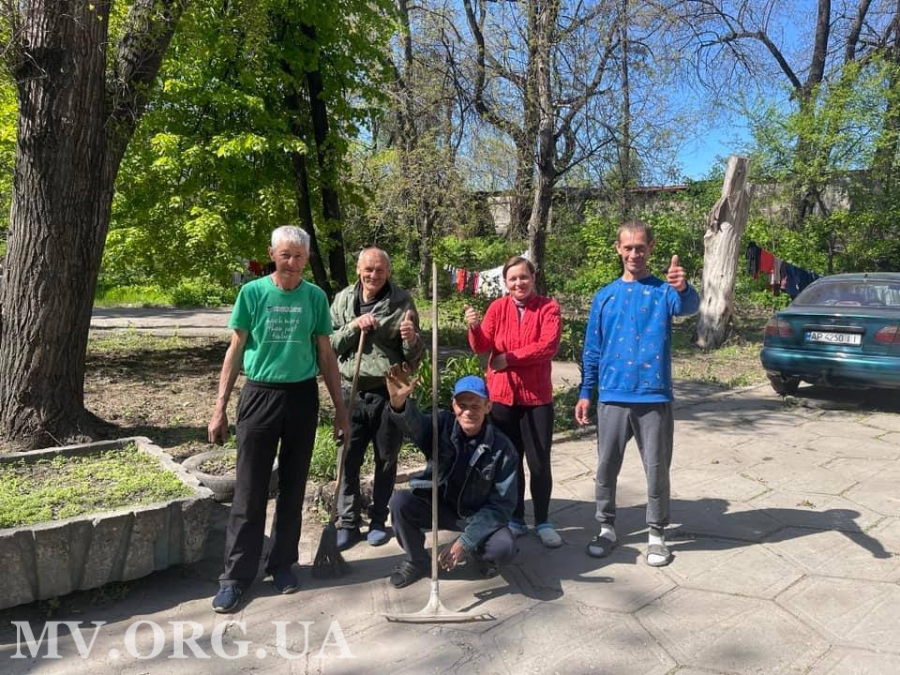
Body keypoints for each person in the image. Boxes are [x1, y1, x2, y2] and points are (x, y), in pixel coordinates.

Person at [207, 226, 350, 613]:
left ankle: (282, 563)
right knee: (249, 489)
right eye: (285, 255)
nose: (292, 262)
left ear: (307, 258)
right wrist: (220, 408)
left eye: (299, 256)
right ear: (272, 254)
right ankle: (236, 577)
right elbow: (235, 351)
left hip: (302, 396)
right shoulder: (252, 293)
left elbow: (325, 354)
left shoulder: (315, 297)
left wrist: (340, 410)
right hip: (260, 394)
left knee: (293, 486)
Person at [574, 220, 700, 567]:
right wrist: (586, 392)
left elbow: (689, 306)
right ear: (618, 249)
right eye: (628, 247)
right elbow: (592, 349)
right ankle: (606, 528)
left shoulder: (663, 292)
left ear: (650, 248)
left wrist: (684, 288)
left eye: (640, 247)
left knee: (656, 469)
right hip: (612, 396)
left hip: (653, 397)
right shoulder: (605, 296)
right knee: (606, 468)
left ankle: (656, 534)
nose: (634, 254)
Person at [384, 368, 519, 588]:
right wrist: (399, 403)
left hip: (474, 514)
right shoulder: (441, 425)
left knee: (504, 547)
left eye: (475, 406)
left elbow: (501, 507)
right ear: (453, 406)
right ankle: (417, 561)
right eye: (462, 405)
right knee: (400, 502)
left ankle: (478, 551)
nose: (468, 412)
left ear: (488, 407)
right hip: (437, 505)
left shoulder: (503, 449)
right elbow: (415, 425)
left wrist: (464, 542)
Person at [464, 256, 563, 548]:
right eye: (513, 279)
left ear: (533, 278)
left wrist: (509, 358)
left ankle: (543, 521)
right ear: (505, 282)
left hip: (536, 398)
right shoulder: (497, 308)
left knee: (539, 461)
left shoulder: (548, 307)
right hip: (502, 398)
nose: (519, 283)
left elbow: (547, 347)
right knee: (510, 461)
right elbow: (482, 347)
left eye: (523, 277)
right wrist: (474, 328)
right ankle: (516, 518)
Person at [329, 247, 424, 549]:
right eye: (368, 269)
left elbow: (414, 358)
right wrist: (353, 326)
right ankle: (347, 522)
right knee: (347, 458)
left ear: (388, 272)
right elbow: (328, 344)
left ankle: (378, 520)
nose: (374, 275)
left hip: (388, 391)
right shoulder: (343, 300)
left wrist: (411, 339)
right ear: (358, 269)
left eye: (380, 270)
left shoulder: (402, 301)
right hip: (350, 391)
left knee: (386, 458)